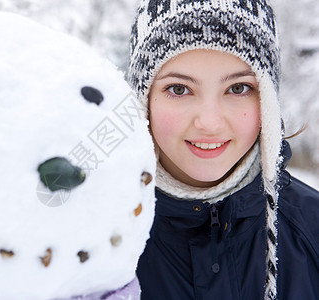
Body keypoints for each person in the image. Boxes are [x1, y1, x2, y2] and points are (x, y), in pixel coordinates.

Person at [128, 0, 319, 299]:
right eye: (179, 89)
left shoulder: (312, 228)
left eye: (238, 88)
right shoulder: (92, 237)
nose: (209, 122)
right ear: (144, 99)